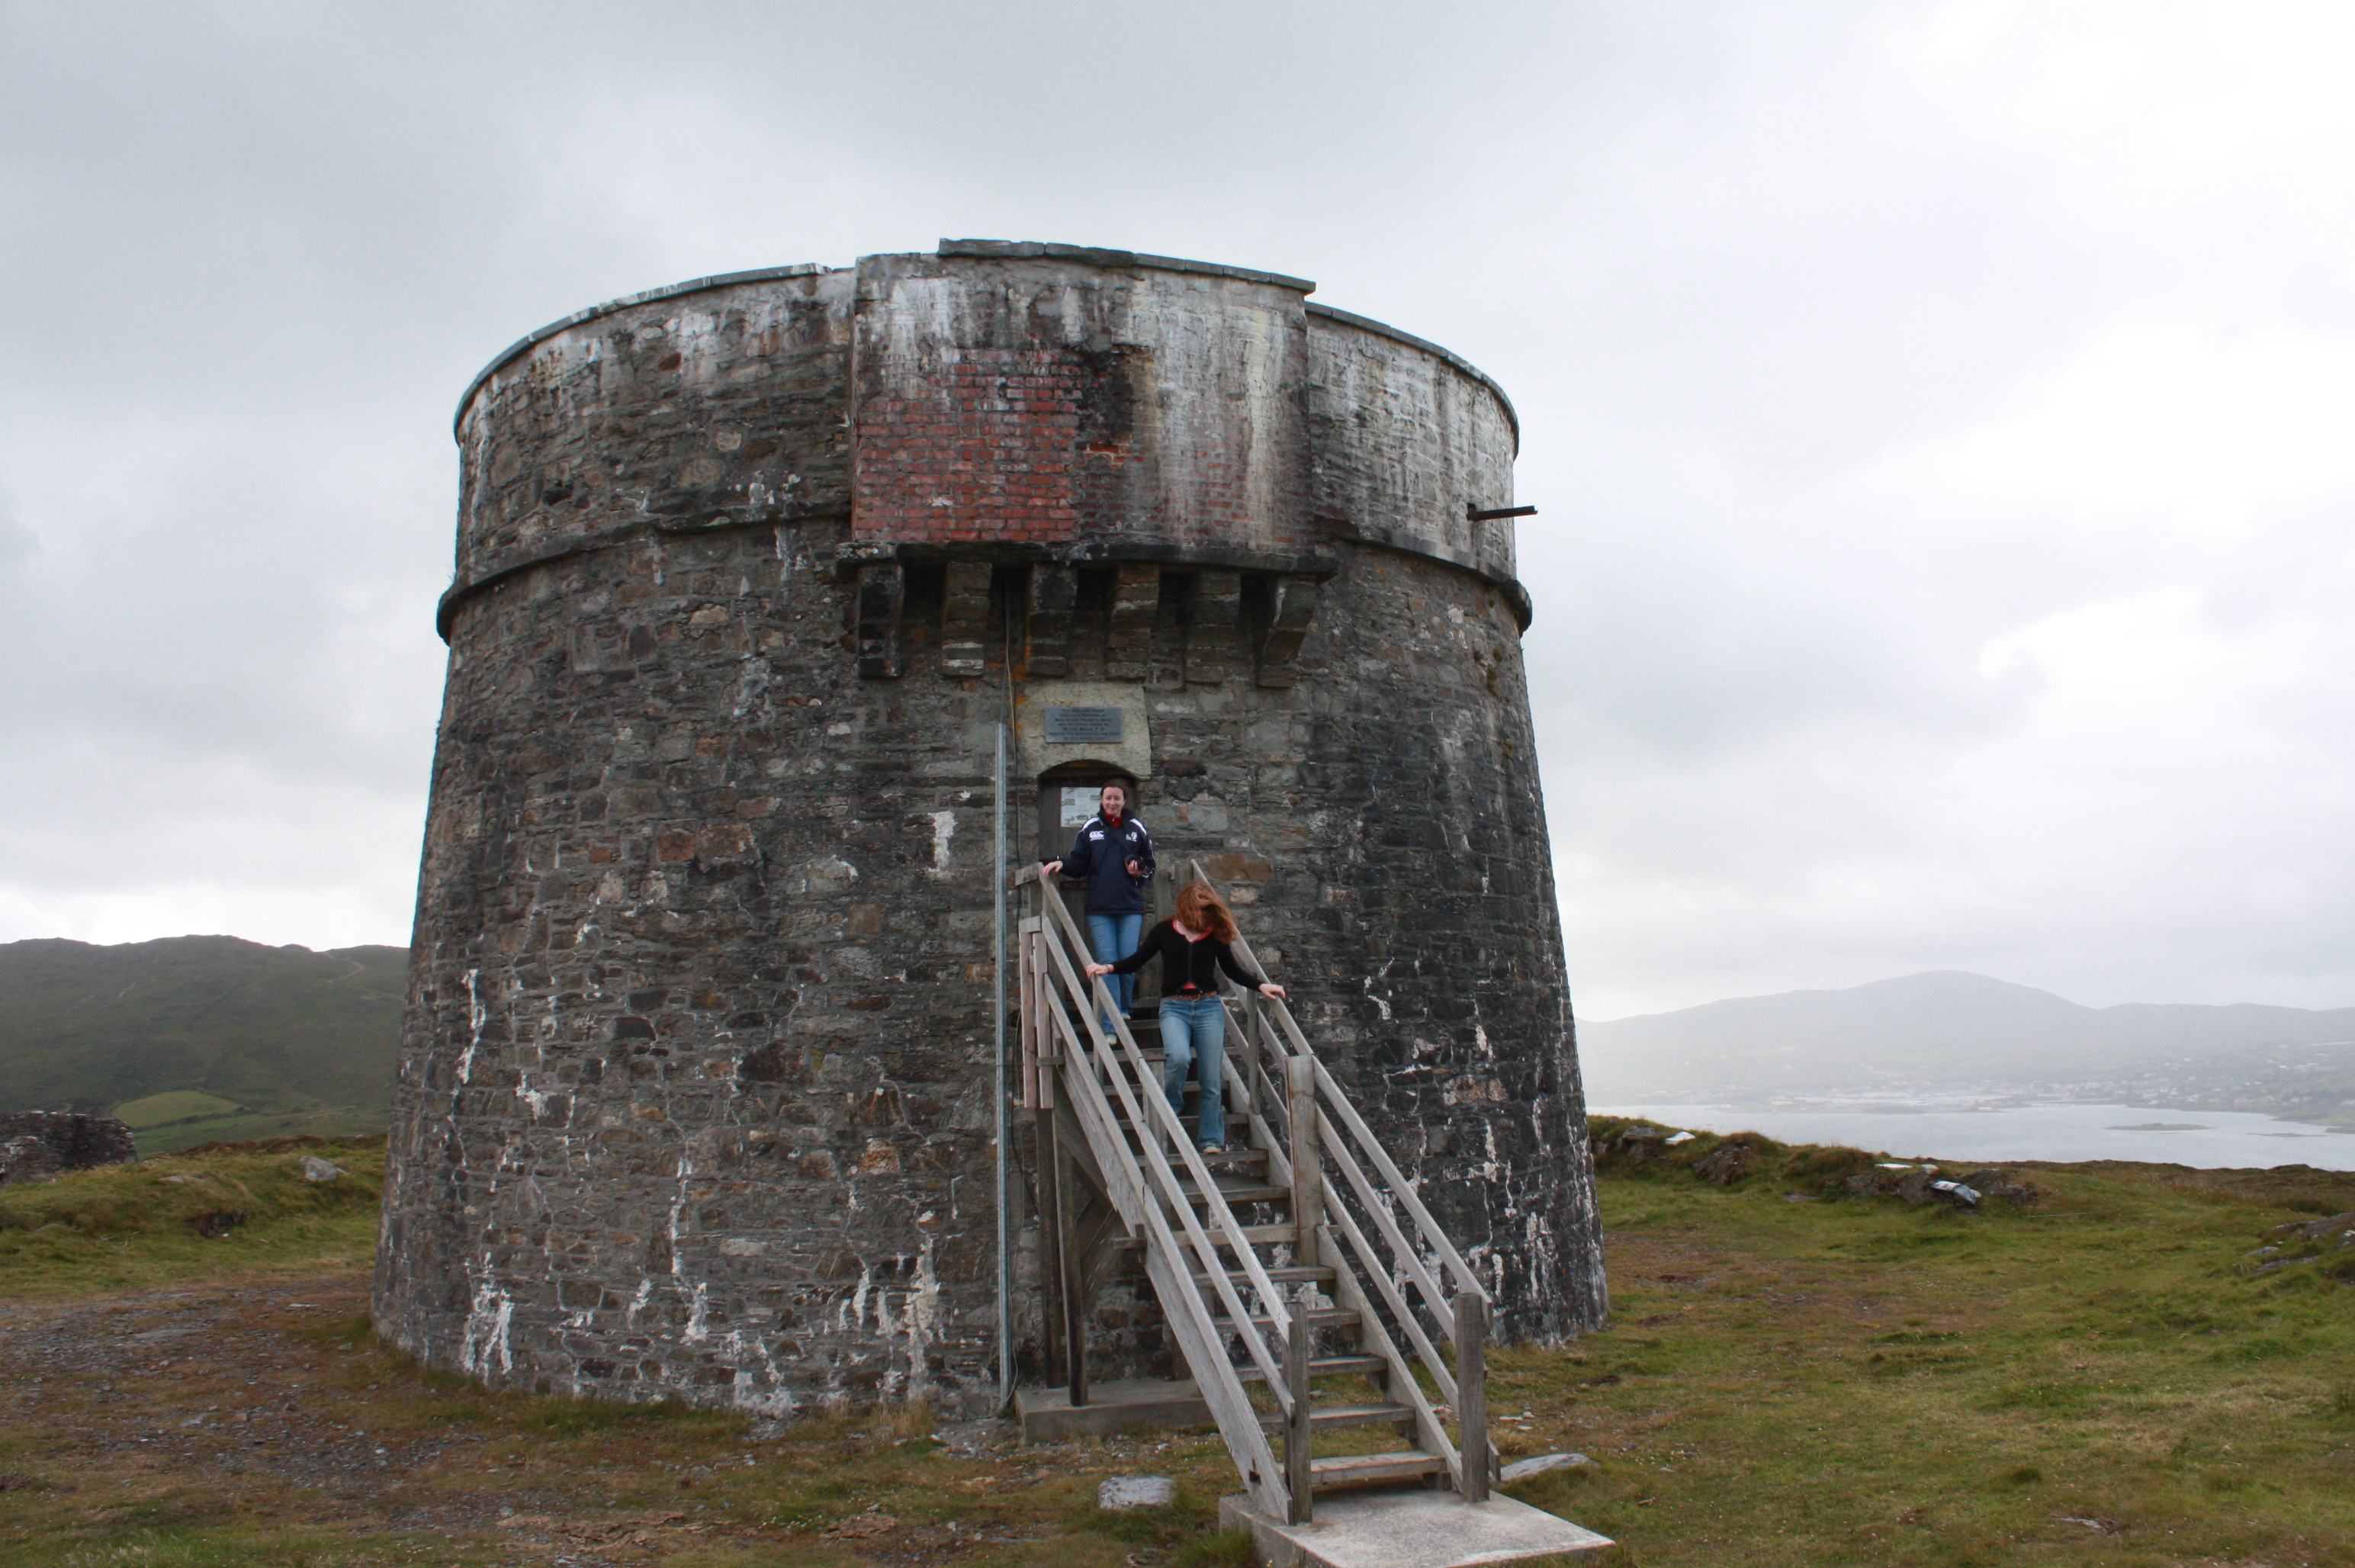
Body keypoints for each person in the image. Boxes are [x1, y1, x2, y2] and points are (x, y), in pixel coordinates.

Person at [1088, 880, 1285, 1153]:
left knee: (1211, 1078)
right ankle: (1171, 1107)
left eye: (1208, 911)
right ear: (1187, 908)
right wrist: (1107, 967)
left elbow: (1232, 970)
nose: (1203, 917)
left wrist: (1261, 985)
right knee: (1178, 1059)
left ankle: (1211, 1140)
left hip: (1208, 1008)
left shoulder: (1215, 934)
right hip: (1174, 1007)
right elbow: (1137, 960)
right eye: (1200, 911)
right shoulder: (1164, 931)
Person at [1042, 781, 1156, 1025]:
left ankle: (1124, 1006)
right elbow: (1080, 863)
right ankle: (1110, 1021)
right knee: (1106, 960)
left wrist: (1139, 874)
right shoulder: (1091, 827)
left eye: (1117, 798)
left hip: (1130, 906)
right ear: (1101, 800)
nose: (1112, 803)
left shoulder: (1137, 828)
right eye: (1108, 798)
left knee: (1127, 958)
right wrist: (1062, 863)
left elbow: (1150, 865)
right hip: (1099, 907)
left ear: (1125, 801)